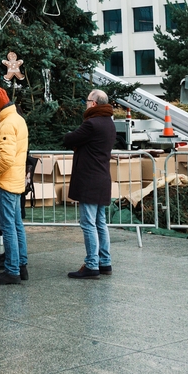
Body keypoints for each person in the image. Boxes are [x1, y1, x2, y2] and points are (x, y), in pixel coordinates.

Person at [63, 89, 117, 279]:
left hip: (89, 180)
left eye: (87, 101)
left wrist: (70, 134)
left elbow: (70, 139)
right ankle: (105, 262)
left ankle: (92, 264)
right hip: (102, 178)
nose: (85, 104)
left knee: (88, 223)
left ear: (93, 104)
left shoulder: (92, 124)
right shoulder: (109, 123)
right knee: (100, 222)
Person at [0, 87, 29, 285]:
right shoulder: (18, 119)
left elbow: (6, 159)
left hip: (5, 182)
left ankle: (12, 270)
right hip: (15, 180)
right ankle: (21, 265)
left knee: (8, 226)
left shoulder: (6, 124)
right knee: (17, 225)